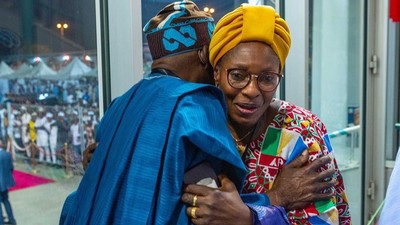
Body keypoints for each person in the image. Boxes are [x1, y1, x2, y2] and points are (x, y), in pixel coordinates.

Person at [59, 1, 260, 224]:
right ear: (204, 54)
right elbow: (219, 205)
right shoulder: (194, 104)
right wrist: (274, 198)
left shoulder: (119, 104)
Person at [181, 4, 351, 225]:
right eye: (238, 75)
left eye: (268, 78)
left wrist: (249, 218)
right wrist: (274, 200)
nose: (252, 90)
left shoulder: (300, 132)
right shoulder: (197, 127)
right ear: (216, 73)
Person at [0, 140, 16, 225]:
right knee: (6, 201)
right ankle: (12, 220)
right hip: (5, 184)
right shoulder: (7, 154)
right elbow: (11, 168)